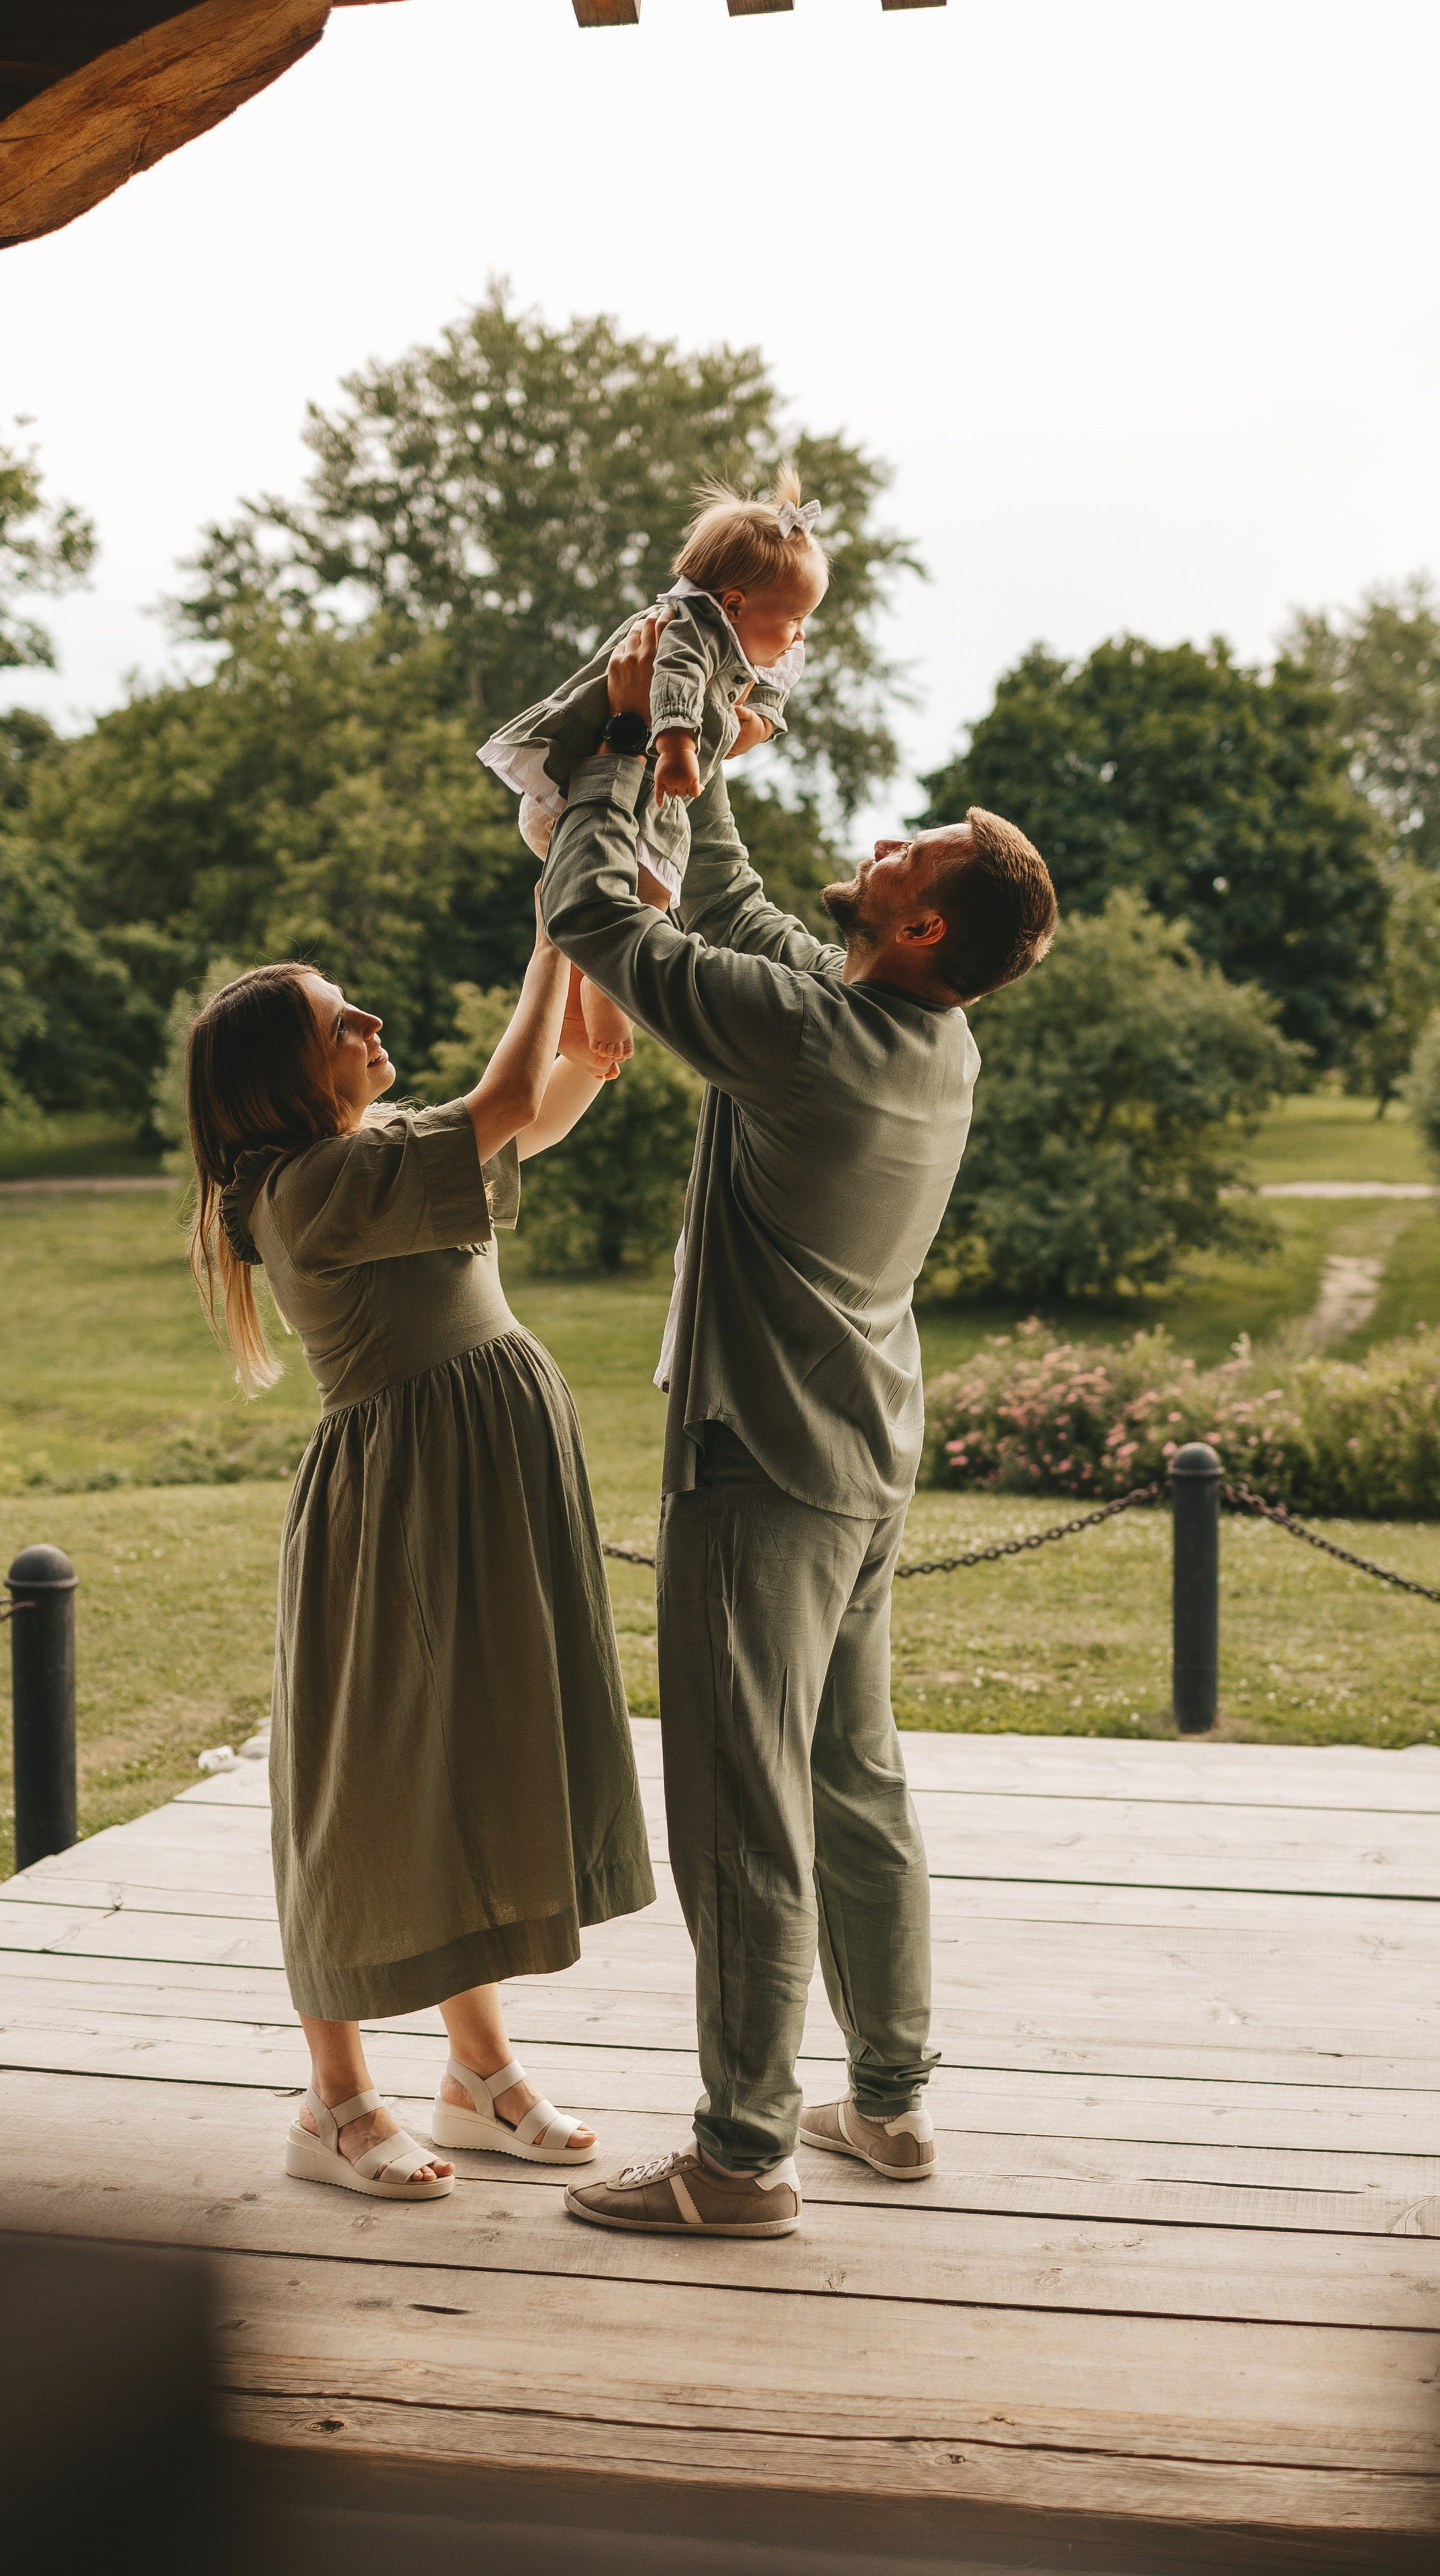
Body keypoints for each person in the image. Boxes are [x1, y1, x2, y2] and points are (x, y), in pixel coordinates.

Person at [540, 617, 1058, 2240]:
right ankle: (885, 2106)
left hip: (759, 1477)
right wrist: (703, 769)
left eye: (912, 841)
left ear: (914, 918)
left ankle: (737, 2156)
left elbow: (586, 909)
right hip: (859, 1465)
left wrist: (622, 756)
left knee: (742, 1815)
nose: (884, 831)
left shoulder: (812, 1040)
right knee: (854, 1783)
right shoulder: (923, 1034)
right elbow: (746, 911)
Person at [184, 922, 655, 2202]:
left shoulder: (371, 1154)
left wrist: (599, 992)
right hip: (395, 1505)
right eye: (343, 1021)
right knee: (367, 1789)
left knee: (473, 1764)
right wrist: (563, 926)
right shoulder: (303, 1189)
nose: (372, 1026)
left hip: (477, 1484)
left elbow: (539, 1113)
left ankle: (478, 2075)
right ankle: (333, 2100)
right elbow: (505, 1096)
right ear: (284, 1077)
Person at [479, 466, 825, 1067]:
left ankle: (564, 992)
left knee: (658, 890)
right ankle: (605, 988)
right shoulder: (687, 629)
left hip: (599, 814)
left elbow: (773, 678)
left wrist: (762, 718)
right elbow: (674, 681)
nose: (798, 637)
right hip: (585, 794)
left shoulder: (738, 637)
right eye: (794, 620)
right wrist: (676, 747)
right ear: (734, 605)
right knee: (651, 895)